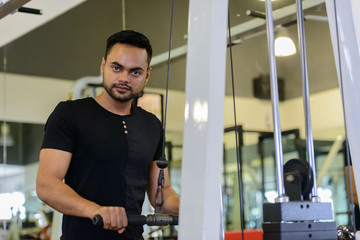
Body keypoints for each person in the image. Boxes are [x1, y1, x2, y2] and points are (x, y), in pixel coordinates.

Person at [36, 30, 180, 240]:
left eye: (135, 72)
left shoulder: (152, 125)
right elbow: (46, 183)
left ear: (146, 75)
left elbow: (162, 193)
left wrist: (190, 207)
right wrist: (96, 210)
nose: (124, 78)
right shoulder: (70, 114)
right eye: (116, 68)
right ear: (103, 66)